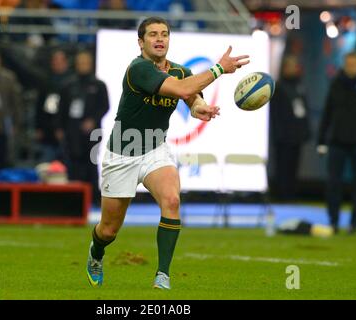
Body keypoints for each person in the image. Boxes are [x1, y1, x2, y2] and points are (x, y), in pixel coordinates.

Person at [86, 16, 249, 289]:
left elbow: (191, 98)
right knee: (109, 229)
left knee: (172, 201)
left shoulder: (180, 71)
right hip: (123, 153)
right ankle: (96, 252)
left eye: (164, 34)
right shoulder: (138, 69)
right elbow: (184, 89)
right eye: (152, 34)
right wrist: (220, 68)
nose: (160, 39)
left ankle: (162, 275)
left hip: (154, 148)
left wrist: (200, 109)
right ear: (141, 42)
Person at [317, 51, 356, 235]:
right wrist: (321, 140)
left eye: (354, 64)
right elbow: (327, 113)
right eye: (348, 64)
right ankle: (333, 221)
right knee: (333, 183)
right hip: (337, 141)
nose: (351, 67)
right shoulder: (337, 83)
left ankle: (354, 223)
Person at [57, 50, 109, 205]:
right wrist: (59, 127)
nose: (83, 66)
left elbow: (105, 106)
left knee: (91, 164)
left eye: (85, 62)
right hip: (72, 131)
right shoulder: (68, 85)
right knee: (73, 163)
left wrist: (93, 120)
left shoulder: (99, 85)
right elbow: (62, 108)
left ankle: (93, 198)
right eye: (80, 63)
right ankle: (73, 199)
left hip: (92, 132)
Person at [270, 55, 310, 200]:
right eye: (291, 66)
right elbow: (275, 114)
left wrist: (305, 130)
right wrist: (279, 134)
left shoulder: (299, 86)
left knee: (294, 167)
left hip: (296, 135)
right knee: (283, 167)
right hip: (284, 136)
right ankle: (282, 195)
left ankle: (291, 194)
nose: (294, 69)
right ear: (285, 68)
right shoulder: (279, 87)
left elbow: (303, 110)